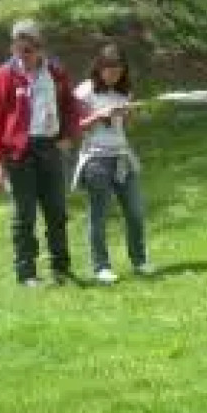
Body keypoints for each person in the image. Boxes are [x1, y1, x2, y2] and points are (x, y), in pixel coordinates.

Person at [0, 20, 82, 287]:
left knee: (57, 212)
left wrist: (68, 136)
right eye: (17, 49)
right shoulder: (3, 76)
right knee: (24, 216)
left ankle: (61, 269)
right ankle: (26, 273)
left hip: (50, 148)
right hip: (19, 153)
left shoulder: (56, 72)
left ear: (40, 48)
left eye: (28, 50)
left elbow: (70, 106)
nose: (22, 55)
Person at [72, 44, 153, 284]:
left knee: (135, 212)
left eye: (119, 71)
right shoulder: (84, 91)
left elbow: (124, 127)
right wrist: (99, 115)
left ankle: (140, 261)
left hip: (122, 157)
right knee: (98, 216)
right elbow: (75, 126)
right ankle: (101, 267)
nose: (114, 75)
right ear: (99, 68)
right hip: (96, 159)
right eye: (110, 70)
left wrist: (129, 114)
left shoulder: (124, 92)